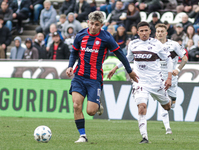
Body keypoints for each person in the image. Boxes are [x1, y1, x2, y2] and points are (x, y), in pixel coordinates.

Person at [66, 11, 138, 143]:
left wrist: (129, 70)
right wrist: (70, 65)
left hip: (94, 79)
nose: (93, 27)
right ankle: (82, 136)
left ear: (102, 25)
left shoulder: (106, 38)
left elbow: (120, 55)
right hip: (79, 76)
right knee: (76, 105)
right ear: (88, 22)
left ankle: (97, 105)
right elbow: (74, 53)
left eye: (97, 25)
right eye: (92, 24)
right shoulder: (81, 35)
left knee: (91, 112)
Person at [108, 21, 173, 144]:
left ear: (150, 31)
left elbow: (168, 60)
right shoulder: (133, 44)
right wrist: (116, 67)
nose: (144, 33)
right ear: (137, 32)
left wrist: (169, 78)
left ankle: (168, 99)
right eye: (141, 31)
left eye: (146, 30)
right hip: (139, 81)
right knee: (142, 107)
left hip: (156, 81)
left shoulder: (156, 44)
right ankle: (145, 137)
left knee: (167, 106)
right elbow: (127, 59)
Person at [155, 23, 188, 134]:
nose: (160, 33)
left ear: (166, 33)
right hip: (157, 78)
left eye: (162, 31)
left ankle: (172, 103)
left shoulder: (173, 45)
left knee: (171, 105)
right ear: (156, 33)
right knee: (163, 101)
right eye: (158, 31)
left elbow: (184, 58)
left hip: (172, 78)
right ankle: (167, 128)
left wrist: (177, 69)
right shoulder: (152, 45)